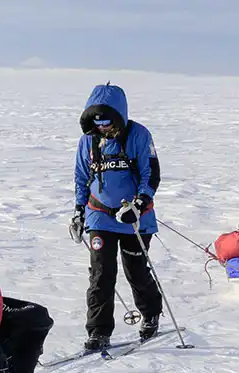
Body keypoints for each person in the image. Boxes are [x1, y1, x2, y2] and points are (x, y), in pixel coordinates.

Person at [69, 83, 165, 354]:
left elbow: (151, 175)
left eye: (107, 122)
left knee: (135, 270)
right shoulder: (87, 142)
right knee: (101, 274)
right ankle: (98, 331)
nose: (103, 128)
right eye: (97, 123)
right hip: (99, 215)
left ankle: (151, 313)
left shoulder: (139, 135)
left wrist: (139, 203)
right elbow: (81, 178)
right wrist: (78, 212)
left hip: (135, 218)